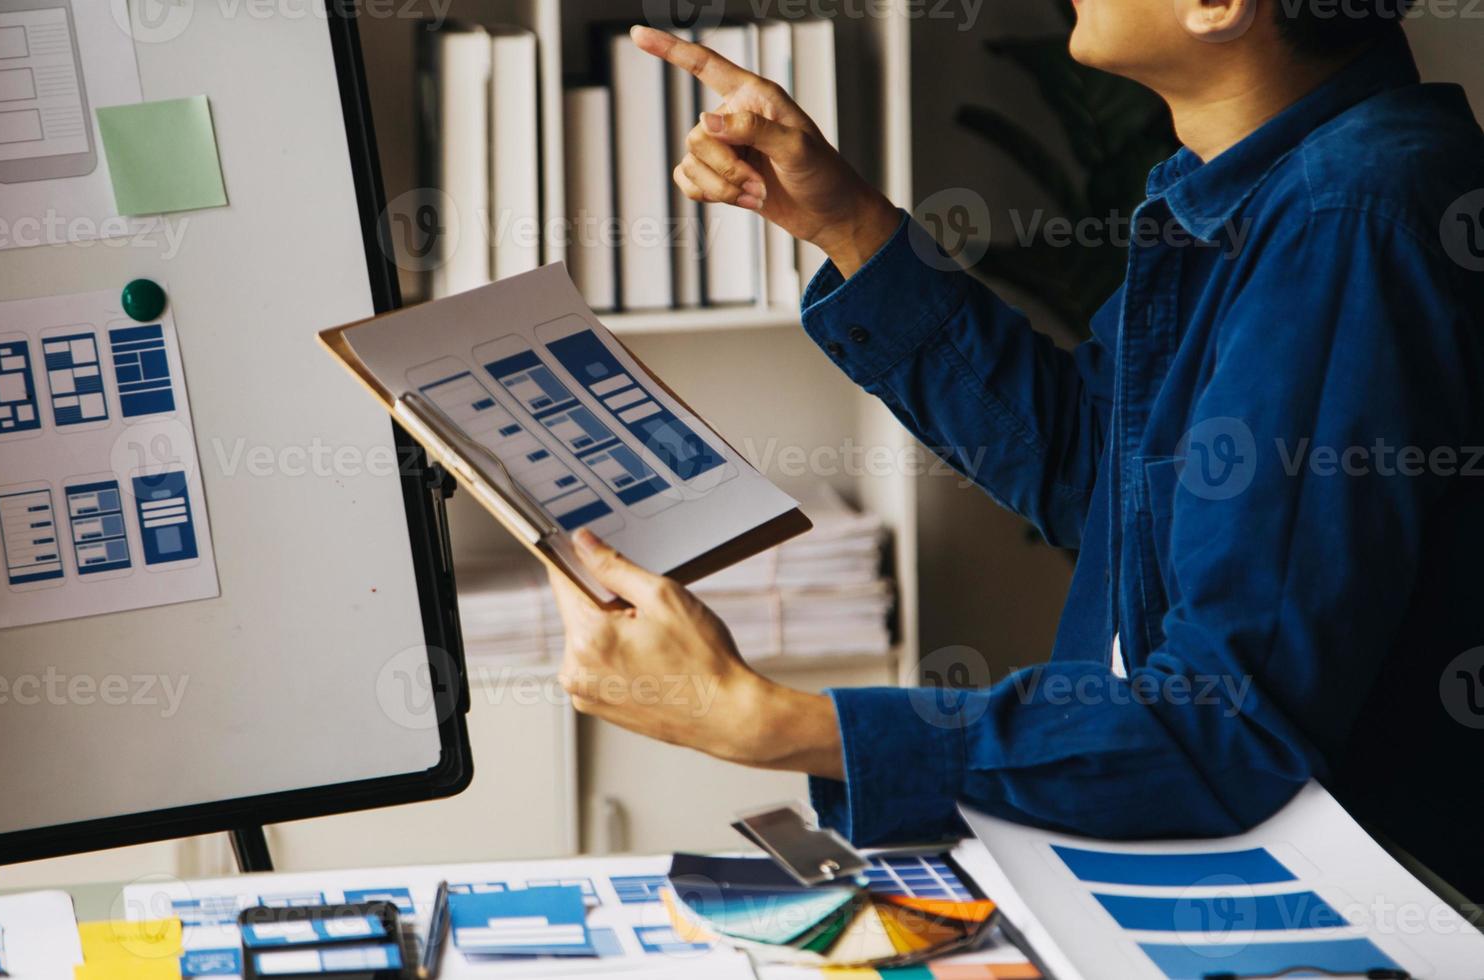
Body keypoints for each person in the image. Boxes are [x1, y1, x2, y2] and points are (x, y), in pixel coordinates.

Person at [550, 2, 1484, 899]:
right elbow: (1096, 468)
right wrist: (842, 222)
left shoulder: (1345, 220)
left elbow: (1230, 725)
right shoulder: (1266, 185)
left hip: (1340, 899)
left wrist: (767, 721)